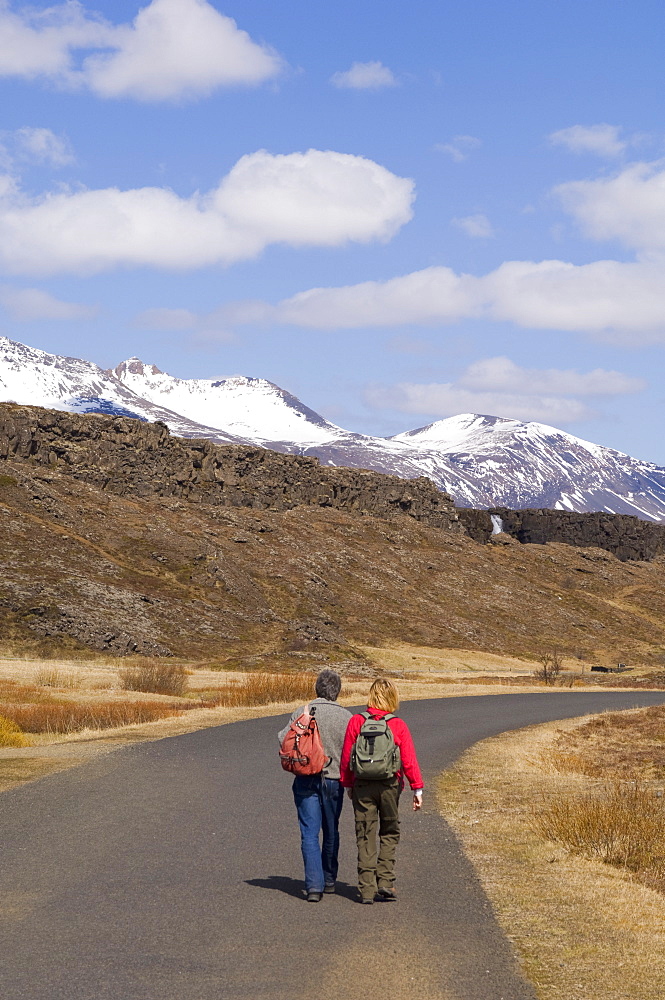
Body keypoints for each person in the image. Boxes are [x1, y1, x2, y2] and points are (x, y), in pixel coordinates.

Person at [340, 677, 423, 904]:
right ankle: (384, 881)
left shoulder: (356, 721)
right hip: (390, 785)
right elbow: (408, 760)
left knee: (365, 833)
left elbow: (347, 757)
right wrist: (417, 789)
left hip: (362, 785)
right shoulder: (398, 724)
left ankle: (366, 890)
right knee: (389, 830)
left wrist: (348, 784)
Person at [278, 669, 352, 902]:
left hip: (305, 777)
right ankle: (329, 879)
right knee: (331, 829)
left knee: (309, 833)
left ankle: (313, 887)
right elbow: (351, 752)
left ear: (317, 689)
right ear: (337, 691)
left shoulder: (303, 712)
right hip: (333, 780)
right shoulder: (347, 717)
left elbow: (283, 739)